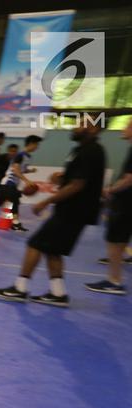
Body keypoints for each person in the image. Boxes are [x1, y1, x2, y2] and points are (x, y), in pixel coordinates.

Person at [0, 124, 105, 308]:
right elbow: (76, 179)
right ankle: (58, 293)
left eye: (82, 124)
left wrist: (46, 201)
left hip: (73, 210)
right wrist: (60, 178)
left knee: (35, 244)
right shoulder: (81, 150)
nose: (76, 127)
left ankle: (20, 288)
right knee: (52, 250)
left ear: (93, 129)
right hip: (73, 210)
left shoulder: (91, 151)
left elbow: (78, 185)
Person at [86, 121, 132, 295]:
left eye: (127, 126)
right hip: (126, 205)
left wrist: (110, 190)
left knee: (115, 242)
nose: (123, 129)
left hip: (125, 204)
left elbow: (129, 179)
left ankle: (114, 281)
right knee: (119, 243)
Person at [0, 134, 40, 232]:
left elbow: (21, 170)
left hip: (12, 184)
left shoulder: (28, 157)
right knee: (15, 199)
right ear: (31, 144)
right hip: (8, 182)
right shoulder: (20, 155)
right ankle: (15, 223)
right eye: (36, 144)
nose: (38, 147)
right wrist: (27, 181)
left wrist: (30, 171)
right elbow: (15, 170)